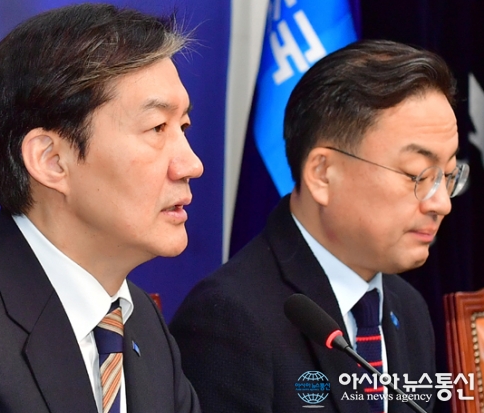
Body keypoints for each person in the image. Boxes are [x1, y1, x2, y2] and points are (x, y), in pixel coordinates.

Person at [0, 3, 203, 413]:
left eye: (183, 127)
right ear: (51, 160)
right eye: (157, 128)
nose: (191, 164)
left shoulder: (141, 326)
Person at [170, 39, 469, 413]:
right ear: (323, 174)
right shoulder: (229, 319)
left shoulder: (407, 308)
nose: (441, 204)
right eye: (417, 174)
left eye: (448, 176)